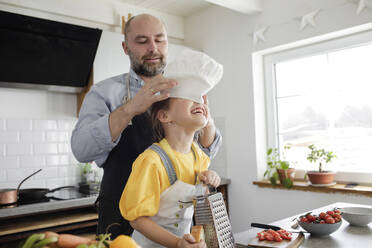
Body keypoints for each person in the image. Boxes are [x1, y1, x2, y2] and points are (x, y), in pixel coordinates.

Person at [70, 14, 222, 238]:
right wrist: (130, 108)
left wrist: (205, 118)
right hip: (120, 222)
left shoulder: (185, 88)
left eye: (159, 40)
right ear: (125, 47)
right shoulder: (105, 92)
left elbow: (206, 151)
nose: (153, 48)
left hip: (175, 227)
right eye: (142, 41)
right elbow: (81, 149)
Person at [120, 49, 222, 248]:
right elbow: (137, 219)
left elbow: (200, 197)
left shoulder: (198, 157)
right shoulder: (151, 161)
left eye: (201, 98)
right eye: (189, 96)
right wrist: (177, 243)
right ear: (164, 116)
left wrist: (211, 179)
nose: (199, 101)